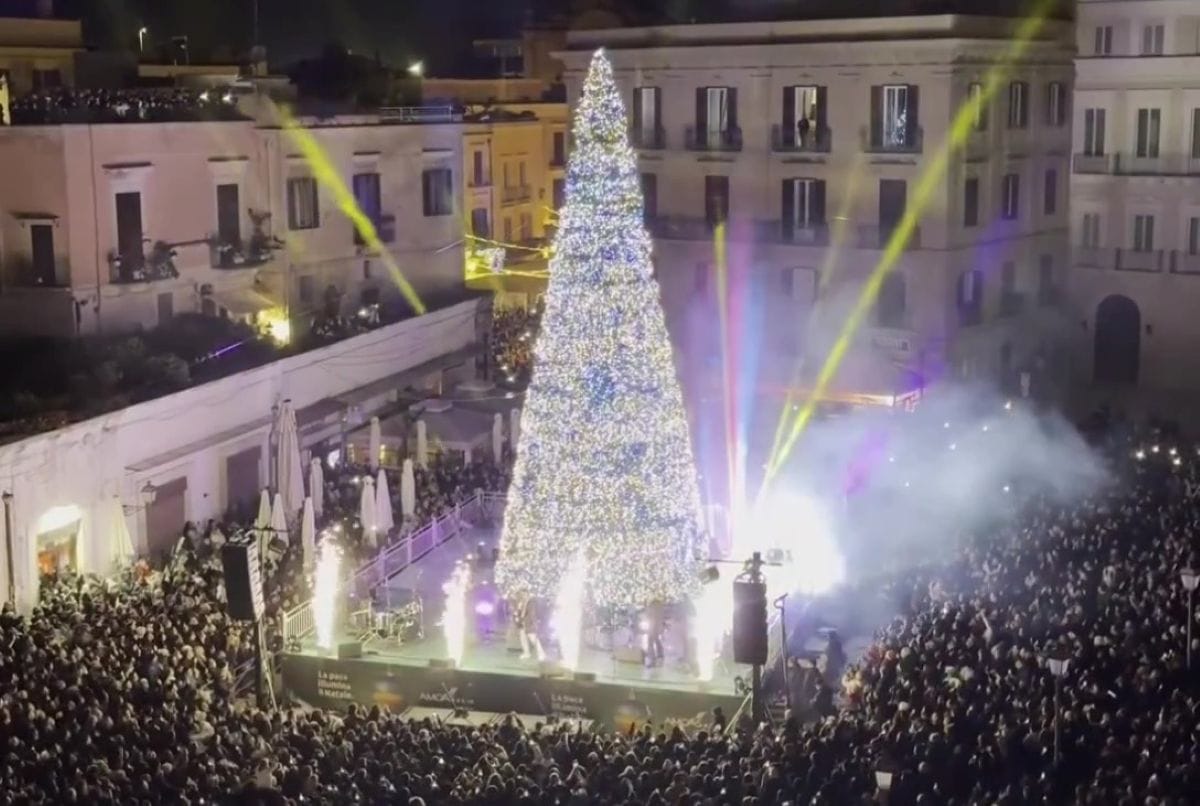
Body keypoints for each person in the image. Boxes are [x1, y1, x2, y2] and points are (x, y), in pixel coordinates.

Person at [514, 591, 543, 660]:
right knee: (523, 639)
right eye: (521, 595)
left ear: (527, 594)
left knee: (533, 639)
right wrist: (518, 610)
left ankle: (541, 654)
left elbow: (533, 613)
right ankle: (526, 653)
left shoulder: (531, 602)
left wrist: (535, 623)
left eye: (524, 594)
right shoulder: (521, 603)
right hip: (522, 623)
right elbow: (518, 613)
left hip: (529, 623)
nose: (523, 596)